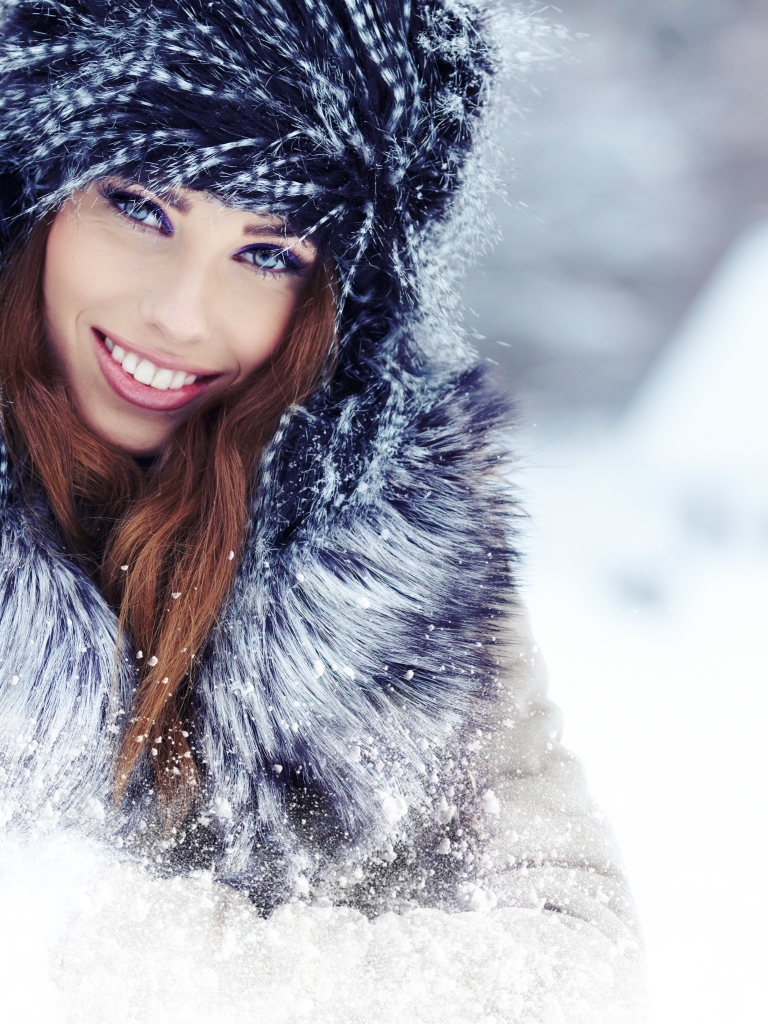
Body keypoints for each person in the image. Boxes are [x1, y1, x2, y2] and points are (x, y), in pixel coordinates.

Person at [0, 0, 644, 1019]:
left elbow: (574, 960)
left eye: (266, 253)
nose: (180, 315)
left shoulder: (404, 542)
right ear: (35, 185)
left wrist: (86, 940)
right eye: (139, 206)